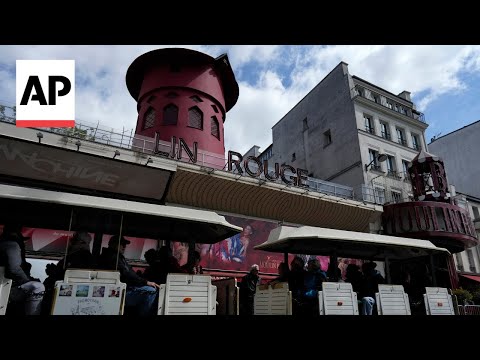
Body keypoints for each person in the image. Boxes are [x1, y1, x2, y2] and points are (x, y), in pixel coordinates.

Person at [98, 235, 160, 316]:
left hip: (123, 288)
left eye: (125, 245)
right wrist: (146, 282)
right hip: (119, 291)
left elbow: (130, 272)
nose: (124, 247)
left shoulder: (117, 256)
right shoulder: (113, 257)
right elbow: (127, 274)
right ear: (113, 244)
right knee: (151, 291)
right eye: (122, 244)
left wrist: (140, 277)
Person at [0, 223, 45, 315]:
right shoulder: (12, 245)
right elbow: (14, 269)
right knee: (37, 287)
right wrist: (27, 280)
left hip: (6, 285)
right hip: (4, 287)